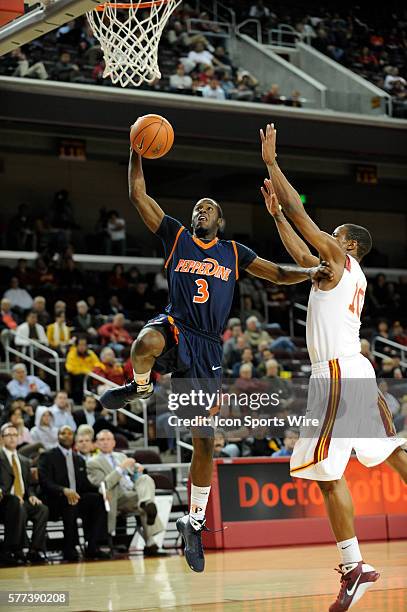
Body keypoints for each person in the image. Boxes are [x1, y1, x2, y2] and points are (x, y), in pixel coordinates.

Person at [98, 146, 330, 573]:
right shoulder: (176, 236)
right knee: (143, 345)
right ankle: (141, 386)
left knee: (204, 440)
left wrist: (309, 273)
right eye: (198, 206)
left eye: (210, 208)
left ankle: (196, 520)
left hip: (208, 348)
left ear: (220, 222)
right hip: (176, 324)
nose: (202, 209)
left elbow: (278, 273)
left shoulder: (234, 252)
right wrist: (134, 150)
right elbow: (137, 194)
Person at [261, 122, 407, 611]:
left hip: (339, 374)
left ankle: (354, 566)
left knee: (327, 474)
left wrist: (273, 165)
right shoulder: (337, 271)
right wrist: (277, 215)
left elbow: (307, 224)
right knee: (388, 452)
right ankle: (354, 566)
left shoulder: (342, 262)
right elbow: (301, 250)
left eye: (336, 235)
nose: (329, 238)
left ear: (348, 247)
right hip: (351, 370)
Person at [87, 429, 163, 556]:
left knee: (145, 479)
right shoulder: (93, 462)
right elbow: (103, 485)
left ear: (114, 443)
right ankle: (150, 543)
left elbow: (133, 475)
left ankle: (146, 503)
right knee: (143, 503)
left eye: (108, 439)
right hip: (116, 497)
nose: (105, 442)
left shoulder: (121, 456)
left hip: (132, 492)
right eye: (102, 440)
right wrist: (120, 468)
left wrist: (138, 470)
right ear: (97, 444)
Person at [38, 426, 109, 561]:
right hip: (55, 500)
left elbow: (85, 485)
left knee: (98, 500)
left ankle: (93, 546)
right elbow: (45, 482)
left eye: (70, 433)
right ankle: (69, 548)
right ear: (58, 437)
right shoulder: (48, 456)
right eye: (62, 433)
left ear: (74, 437)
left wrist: (102, 491)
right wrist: (63, 490)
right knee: (70, 502)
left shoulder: (78, 459)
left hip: (75, 499)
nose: (66, 435)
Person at [0, 424, 49, 565]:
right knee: (16, 504)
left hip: (22, 500)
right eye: (8, 435)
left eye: (15, 435)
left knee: (42, 509)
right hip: (5, 502)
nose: (12, 438)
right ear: (2, 439)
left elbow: (29, 486)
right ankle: (16, 550)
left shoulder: (24, 461)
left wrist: (32, 495)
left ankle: (34, 551)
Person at [65, 336, 102, 403]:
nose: (82, 347)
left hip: (90, 375)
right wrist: (85, 371)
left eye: (84, 345)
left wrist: (91, 371)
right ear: (76, 345)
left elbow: (98, 364)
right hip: (77, 377)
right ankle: (81, 400)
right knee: (82, 378)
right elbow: (70, 368)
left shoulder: (90, 353)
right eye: (80, 345)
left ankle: (94, 400)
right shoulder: (71, 354)